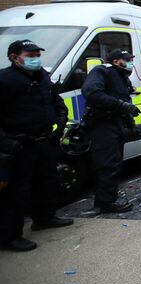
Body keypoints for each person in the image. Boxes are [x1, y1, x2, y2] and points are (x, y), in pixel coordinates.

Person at [0, 39, 74, 251]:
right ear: (15, 57)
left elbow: (55, 100)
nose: (35, 59)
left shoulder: (42, 76)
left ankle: (44, 218)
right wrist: (7, 143)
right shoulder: (5, 80)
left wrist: (61, 118)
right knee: (17, 191)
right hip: (19, 143)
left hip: (44, 140)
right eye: (30, 56)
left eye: (37, 55)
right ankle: (9, 237)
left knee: (47, 181)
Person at [82, 48, 140, 213]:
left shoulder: (122, 78)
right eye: (127, 60)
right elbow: (91, 93)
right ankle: (105, 203)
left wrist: (131, 124)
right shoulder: (102, 71)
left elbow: (124, 102)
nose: (130, 63)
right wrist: (121, 105)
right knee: (107, 165)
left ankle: (109, 198)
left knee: (114, 164)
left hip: (115, 124)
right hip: (102, 125)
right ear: (116, 62)